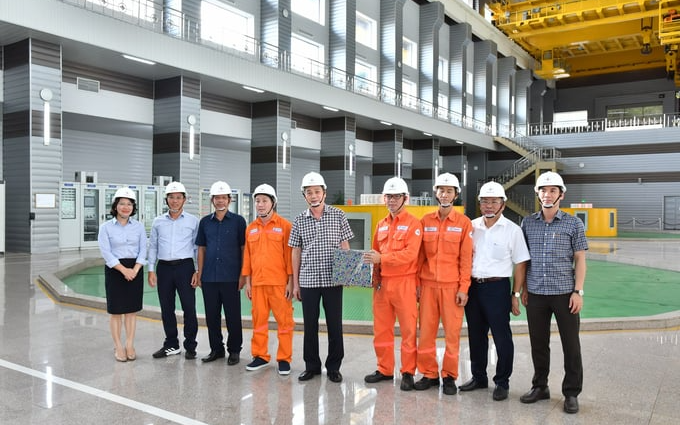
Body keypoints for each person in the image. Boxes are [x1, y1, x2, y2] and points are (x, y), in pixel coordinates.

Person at [519, 171, 588, 414]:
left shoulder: (573, 224)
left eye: (552, 190)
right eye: (543, 190)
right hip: (536, 293)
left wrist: (578, 291)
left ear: (561, 194)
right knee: (538, 343)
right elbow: (523, 260)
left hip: (564, 294)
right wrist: (523, 289)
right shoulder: (528, 223)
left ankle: (571, 393)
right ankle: (540, 386)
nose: (547, 194)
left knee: (571, 345)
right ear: (537, 194)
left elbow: (580, 259)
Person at [460, 181, 530, 401]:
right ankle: (479, 377)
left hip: (497, 288)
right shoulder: (471, 227)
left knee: (502, 337)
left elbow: (521, 264)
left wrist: (515, 295)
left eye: (494, 201)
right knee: (476, 335)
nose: (489, 206)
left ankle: (502, 382)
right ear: (480, 204)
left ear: (503, 204)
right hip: (473, 287)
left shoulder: (513, 230)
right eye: (485, 201)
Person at [289, 171, 354, 383]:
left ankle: (334, 367)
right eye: (309, 192)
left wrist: (346, 274)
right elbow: (296, 252)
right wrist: (296, 283)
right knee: (310, 326)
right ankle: (312, 366)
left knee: (335, 325)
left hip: (333, 280)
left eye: (317, 191)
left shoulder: (338, 215)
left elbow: (345, 245)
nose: (313, 195)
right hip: (308, 280)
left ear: (324, 193)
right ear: (304, 196)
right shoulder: (299, 220)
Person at [413, 173, 472, 395]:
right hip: (428, 285)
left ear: (456, 195)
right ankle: (429, 373)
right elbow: (419, 257)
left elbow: (466, 260)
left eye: (449, 191)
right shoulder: (425, 221)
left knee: (452, 334)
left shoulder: (464, 223)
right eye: (441, 190)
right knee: (426, 332)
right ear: (436, 193)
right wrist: (417, 283)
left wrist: (463, 288)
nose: (445, 194)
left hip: (451, 287)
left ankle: (449, 376)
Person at [363, 177, 423, 391]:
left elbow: (410, 254)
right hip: (383, 286)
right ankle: (385, 369)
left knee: (408, 331)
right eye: (389, 196)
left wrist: (383, 258)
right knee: (381, 330)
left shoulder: (414, 224)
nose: (392, 200)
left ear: (405, 198)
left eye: (396, 196)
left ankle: (408, 372)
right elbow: (374, 253)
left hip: (404, 283)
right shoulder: (381, 225)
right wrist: (374, 277)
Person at [241, 184, 295, 375]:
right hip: (257, 284)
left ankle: (284, 359)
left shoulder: (285, 226)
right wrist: (248, 283)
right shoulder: (250, 229)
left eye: (264, 201)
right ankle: (260, 356)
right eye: (257, 201)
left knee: (284, 322)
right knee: (259, 322)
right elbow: (247, 257)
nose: (260, 204)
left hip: (279, 284)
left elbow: (289, 257)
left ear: (273, 203)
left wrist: (291, 282)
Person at [196, 180, 246, 365]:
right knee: (212, 316)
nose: (220, 201)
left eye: (223, 197)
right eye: (217, 198)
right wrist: (200, 273)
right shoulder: (204, 223)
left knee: (233, 316)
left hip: (231, 277)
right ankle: (216, 349)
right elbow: (201, 249)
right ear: (212, 200)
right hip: (209, 277)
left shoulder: (238, 222)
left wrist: (243, 275)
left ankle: (234, 350)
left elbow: (243, 249)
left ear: (229, 200)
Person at [148, 181, 200, 359]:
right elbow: (153, 246)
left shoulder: (193, 221)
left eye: (178, 197)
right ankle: (171, 344)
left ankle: (190, 345)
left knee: (189, 308)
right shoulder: (158, 222)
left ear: (184, 200)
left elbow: (197, 248)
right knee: (166, 308)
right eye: (171, 197)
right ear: (166, 200)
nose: (175, 201)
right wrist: (151, 269)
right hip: (164, 268)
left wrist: (197, 270)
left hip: (185, 267)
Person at [97, 187, 147, 362]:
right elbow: (106, 252)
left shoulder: (139, 227)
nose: (126, 207)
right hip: (115, 271)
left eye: (129, 204)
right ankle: (118, 345)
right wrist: (124, 270)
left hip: (135, 270)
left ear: (133, 207)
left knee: (132, 311)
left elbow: (143, 249)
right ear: (115, 206)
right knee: (116, 311)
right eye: (122, 204)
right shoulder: (105, 228)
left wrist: (135, 269)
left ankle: (130, 344)